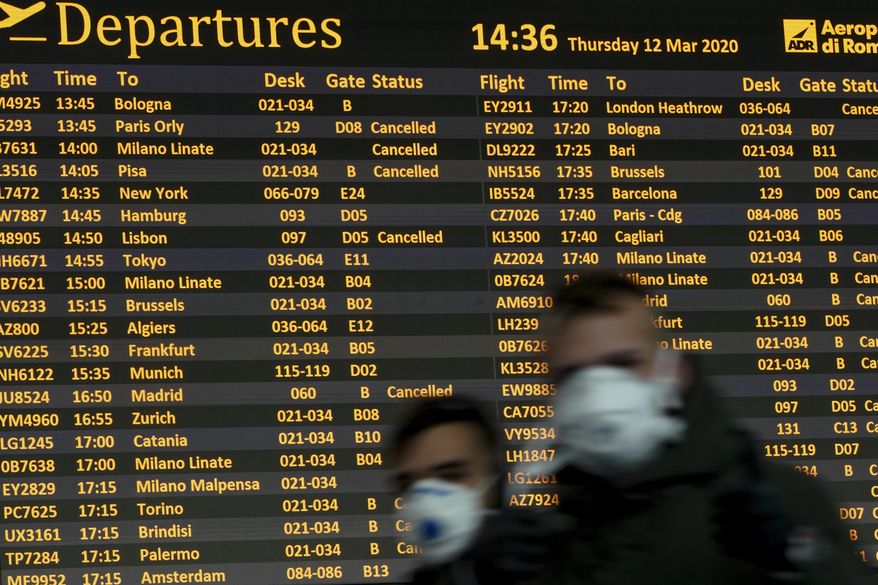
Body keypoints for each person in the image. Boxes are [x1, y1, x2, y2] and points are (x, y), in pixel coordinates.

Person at [510, 271, 873, 584]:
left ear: (675, 371)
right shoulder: (553, 535)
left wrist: (797, 558)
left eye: (623, 363)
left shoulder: (773, 500)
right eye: (572, 374)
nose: (596, 389)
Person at [390, 396, 568, 585]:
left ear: (496, 481)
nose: (424, 501)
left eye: (451, 476)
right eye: (407, 485)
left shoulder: (567, 564)